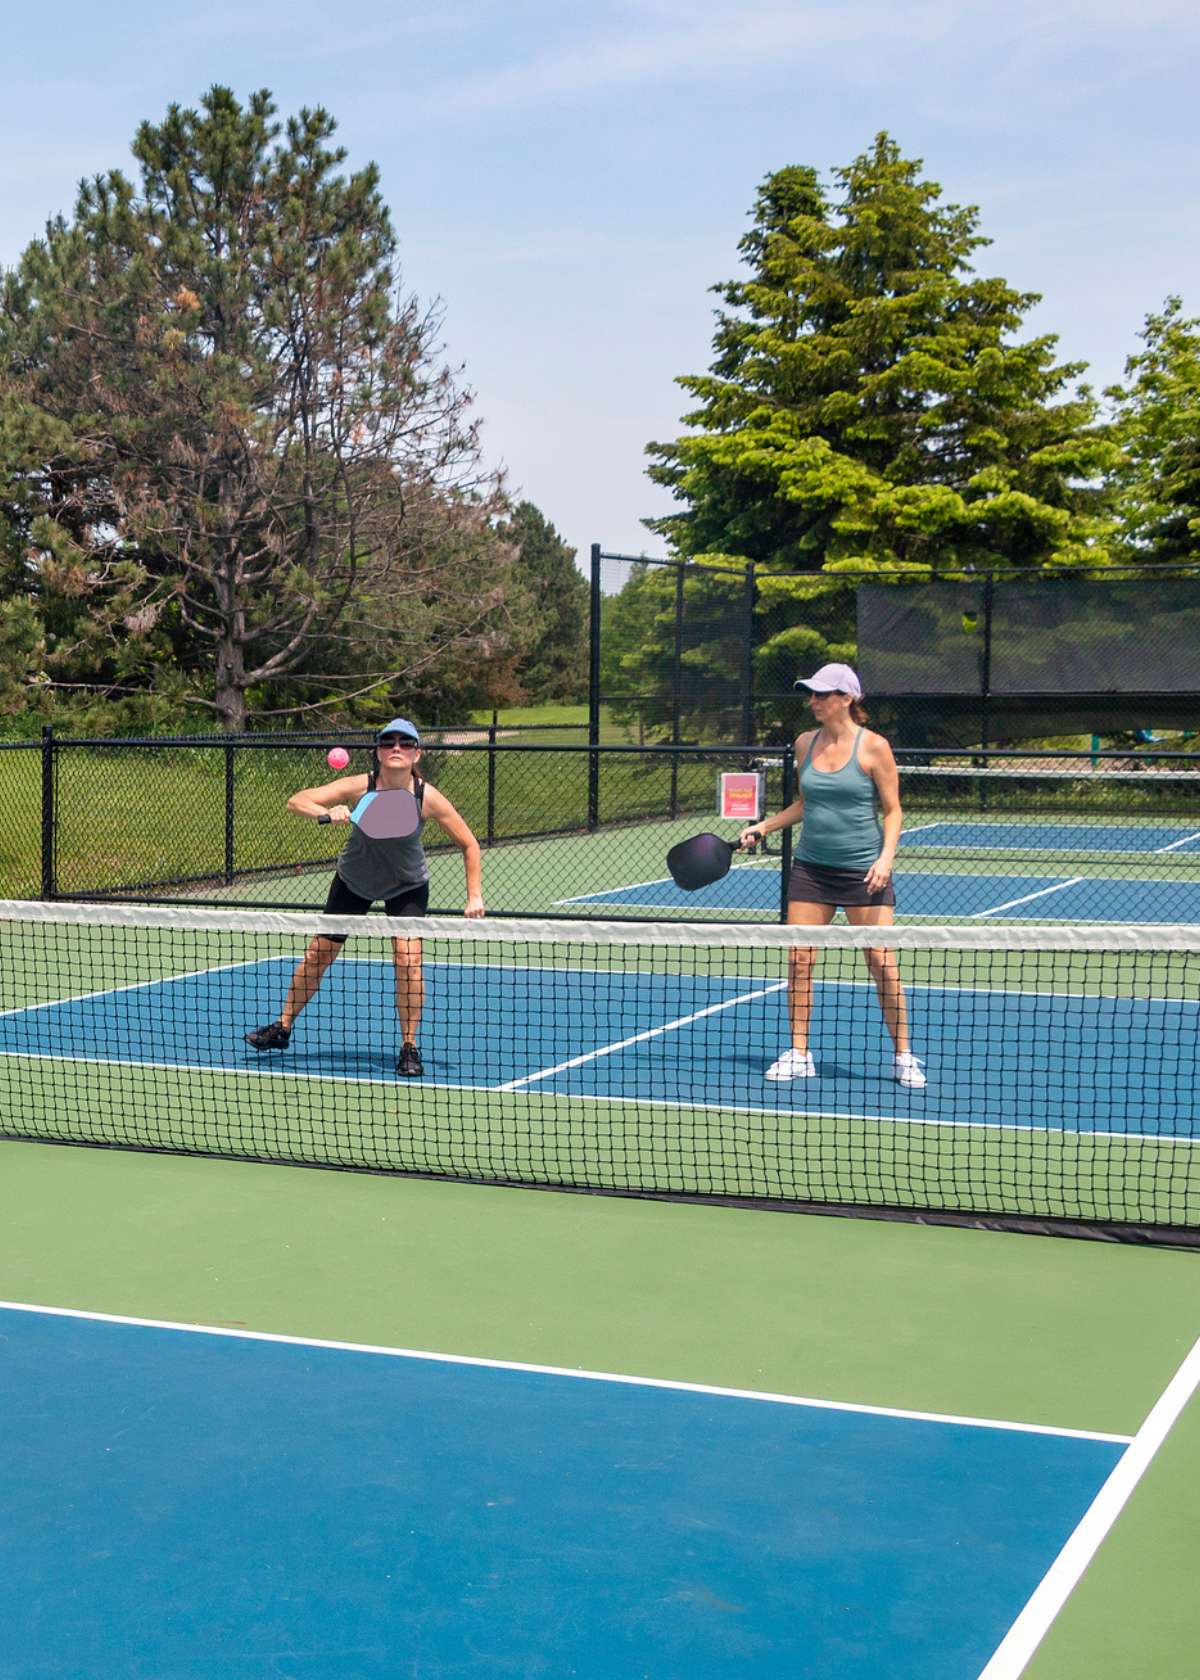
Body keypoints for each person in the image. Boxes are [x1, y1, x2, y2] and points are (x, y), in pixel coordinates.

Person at [245, 718, 484, 1077]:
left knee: (408, 960)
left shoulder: (426, 797)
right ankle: (282, 1027)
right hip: (354, 881)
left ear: (417, 753)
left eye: (405, 743)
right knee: (318, 955)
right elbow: (297, 801)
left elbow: (469, 844)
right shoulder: (361, 786)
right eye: (389, 743)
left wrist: (474, 895)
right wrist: (327, 812)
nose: (397, 748)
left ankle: (409, 1046)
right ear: (378, 752)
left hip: (406, 885)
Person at [738, 664, 926, 1088]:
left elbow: (893, 810)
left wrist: (885, 859)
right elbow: (806, 804)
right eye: (811, 694)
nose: (813, 701)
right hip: (811, 869)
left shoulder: (875, 747)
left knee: (881, 962)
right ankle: (800, 1052)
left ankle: (903, 1055)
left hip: (865, 873)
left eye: (822, 694)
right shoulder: (805, 744)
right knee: (799, 958)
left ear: (847, 699)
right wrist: (763, 826)